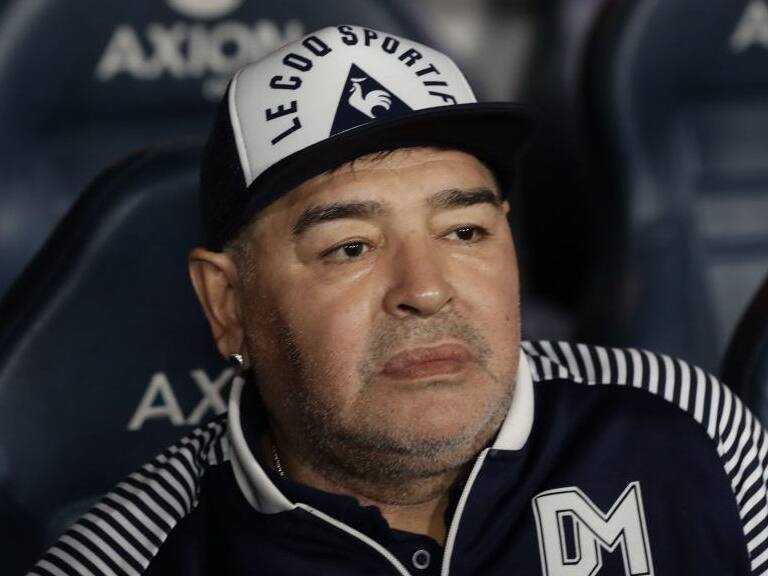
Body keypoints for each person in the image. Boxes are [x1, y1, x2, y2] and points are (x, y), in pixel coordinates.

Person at [28, 25, 768, 576]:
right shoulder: (122, 560)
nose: (426, 289)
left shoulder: (686, 423)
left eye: (465, 231)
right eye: (351, 247)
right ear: (226, 303)